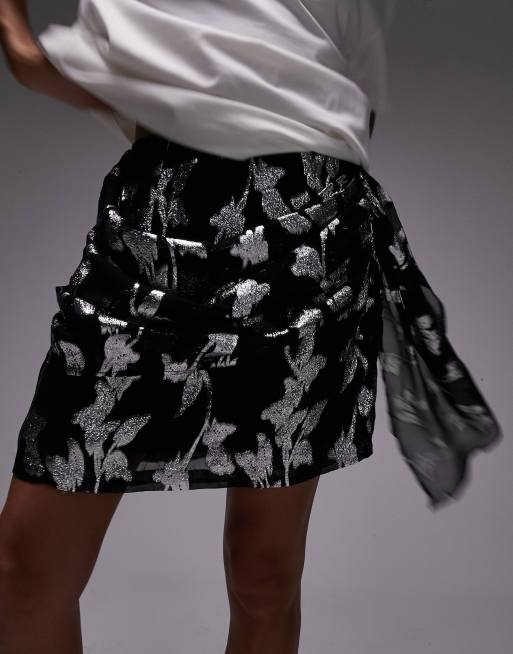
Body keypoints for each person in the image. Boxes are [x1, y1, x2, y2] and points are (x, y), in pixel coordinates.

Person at [0, 1, 502, 653]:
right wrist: (19, 39)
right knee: (26, 573)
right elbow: (85, 65)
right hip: (155, 231)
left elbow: (352, 83)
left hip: (303, 229)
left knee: (264, 573)